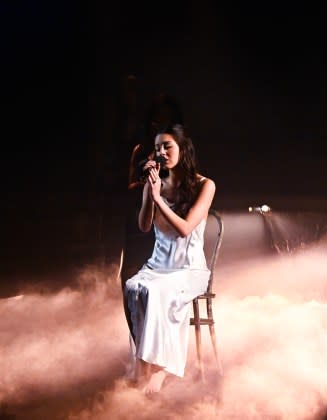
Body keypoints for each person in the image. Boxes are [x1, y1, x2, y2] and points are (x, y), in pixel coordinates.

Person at [125, 122, 216, 394]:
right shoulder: (154, 185)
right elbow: (143, 226)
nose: (162, 152)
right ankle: (148, 366)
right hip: (158, 265)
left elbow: (185, 229)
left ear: (182, 149)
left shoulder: (205, 185)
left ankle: (156, 370)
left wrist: (159, 199)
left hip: (188, 269)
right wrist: (149, 195)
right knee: (134, 287)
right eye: (157, 148)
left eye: (168, 146)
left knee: (155, 292)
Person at [120, 91, 185, 342]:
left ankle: (161, 347)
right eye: (155, 122)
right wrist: (146, 179)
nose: (159, 125)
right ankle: (139, 343)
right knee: (128, 280)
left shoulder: (177, 149)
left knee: (159, 285)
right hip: (139, 222)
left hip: (167, 223)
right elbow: (129, 189)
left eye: (165, 120)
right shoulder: (142, 149)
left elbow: (190, 185)